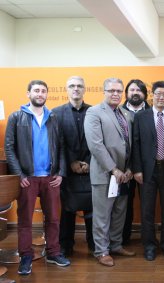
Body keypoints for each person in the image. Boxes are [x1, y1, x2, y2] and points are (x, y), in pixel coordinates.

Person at [5, 80, 70, 275]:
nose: (40, 94)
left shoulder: (53, 118)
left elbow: (61, 147)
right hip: (28, 178)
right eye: (36, 90)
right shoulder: (16, 117)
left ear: (46, 94)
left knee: (53, 219)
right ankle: (26, 255)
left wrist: (60, 172)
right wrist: (19, 174)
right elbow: (9, 147)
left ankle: (53, 252)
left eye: (43, 91)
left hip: (50, 177)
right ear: (28, 94)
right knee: (25, 220)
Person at [84, 78, 135, 267]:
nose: (115, 94)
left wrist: (129, 169)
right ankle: (101, 251)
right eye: (111, 90)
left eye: (119, 91)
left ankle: (116, 245)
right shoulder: (94, 112)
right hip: (106, 174)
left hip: (124, 175)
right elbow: (95, 145)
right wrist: (113, 169)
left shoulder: (125, 114)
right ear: (104, 91)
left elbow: (129, 144)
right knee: (102, 215)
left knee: (119, 212)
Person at [132, 81, 164, 261]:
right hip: (146, 171)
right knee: (147, 211)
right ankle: (149, 245)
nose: (161, 97)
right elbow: (135, 144)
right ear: (152, 95)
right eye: (158, 94)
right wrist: (137, 169)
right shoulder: (141, 117)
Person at [52, 76, 94, 256]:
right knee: (67, 210)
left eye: (79, 86)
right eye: (72, 86)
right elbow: (55, 144)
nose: (76, 89)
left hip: (91, 169)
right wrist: (70, 163)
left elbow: (101, 142)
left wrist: (90, 164)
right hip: (66, 170)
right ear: (66, 89)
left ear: (85, 89)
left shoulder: (95, 111)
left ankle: (94, 245)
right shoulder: (56, 113)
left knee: (93, 210)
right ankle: (65, 245)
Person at [120, 79, 150, 245]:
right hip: (124, 168)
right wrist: (129, 167)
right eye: (132, 90)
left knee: (147, 205)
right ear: (126, 93)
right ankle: (123, 239)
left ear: (145, 94)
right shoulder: (118, 112)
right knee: (124, 204)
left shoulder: (153, 112)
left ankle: (148, 240)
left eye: (139, 90)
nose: (135, 93)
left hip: (147, 167)